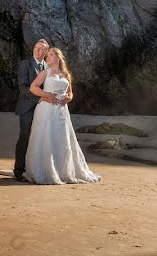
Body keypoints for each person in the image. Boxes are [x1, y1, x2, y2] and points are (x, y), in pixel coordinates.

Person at [24, 47, 101, 184]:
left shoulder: (66, 74)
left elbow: (70, 93)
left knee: (62, 139)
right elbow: (33, 87)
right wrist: (47, 94)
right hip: (46, 109)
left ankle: (63, 170)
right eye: (47, 56)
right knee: (46, 138)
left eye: (51, 55)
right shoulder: (44, 73)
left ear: (58, 57)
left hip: (61, 111)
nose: (48, 58)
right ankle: (45, 170)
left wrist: (68, 99)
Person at [12, 39, 62, 182]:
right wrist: (41, 99)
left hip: (44, 110)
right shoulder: (24, 64)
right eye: (36, 47)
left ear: (46, 52)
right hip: (27, 107)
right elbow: (23, 89)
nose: (37, 50)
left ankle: (36, 168)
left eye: (41, 49)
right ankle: (18, 170)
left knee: (40, 138)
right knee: (25, 137)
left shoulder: (48, 67)